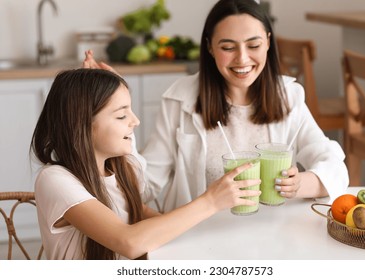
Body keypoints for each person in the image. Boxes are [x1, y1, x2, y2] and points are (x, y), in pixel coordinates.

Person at [84, 0, 349, 213]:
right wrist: (112, 106)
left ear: (268, 42)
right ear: (210, 47)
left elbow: (333, 164)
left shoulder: (289, 96)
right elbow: (147, 183)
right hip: (199, 237)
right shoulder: (180, 100)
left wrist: (302, 183)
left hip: (271, 235)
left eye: (254, 45)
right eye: (228, 47)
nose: (242, 58)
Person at [30, 68, 260, 260]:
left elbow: (137, 212)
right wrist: (210, 201)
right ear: (80, 124)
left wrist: (204, 233)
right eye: (121, 116)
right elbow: (128, 241)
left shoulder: (119, 168)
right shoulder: (55, 180)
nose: (136, 121)